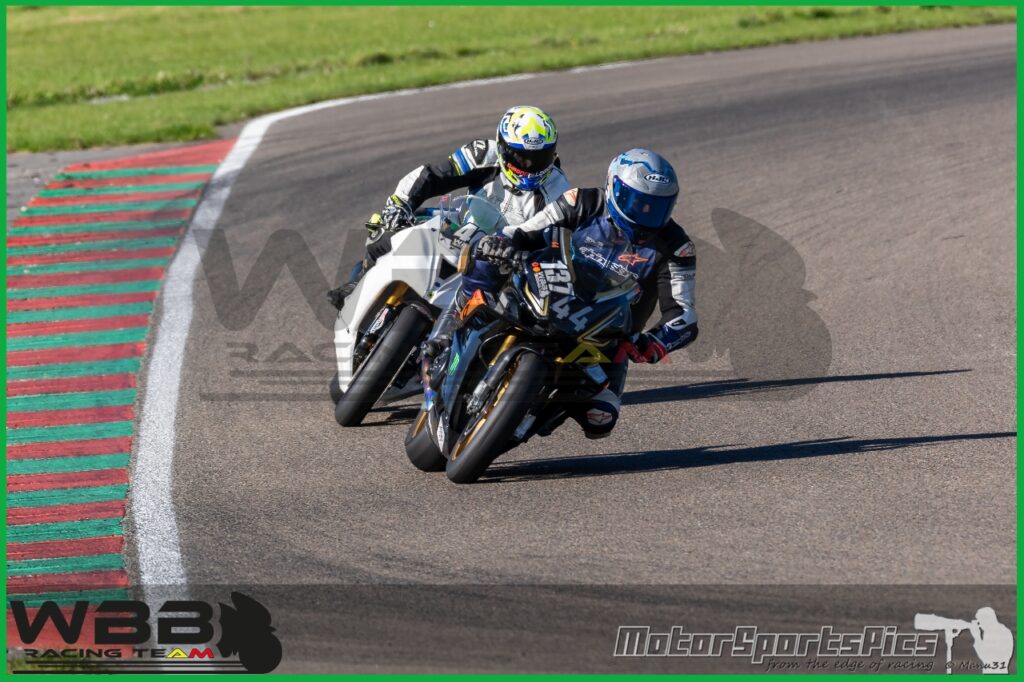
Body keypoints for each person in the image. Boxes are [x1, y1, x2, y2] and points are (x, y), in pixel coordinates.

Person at [423, 148, 698, 439]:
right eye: (637, 202)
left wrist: (654, 343)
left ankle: (533, 414)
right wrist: (503, 242)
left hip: (602, 337)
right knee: (485, 259)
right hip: (544, 289)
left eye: (657, 207)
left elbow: (684, 315)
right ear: (613, 187)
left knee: (600, 418)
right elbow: (527, 230)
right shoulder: (582, 201)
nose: (646, 214)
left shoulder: (678, 248)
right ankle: (449, 330)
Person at [327, 105, 570, 309]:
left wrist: (521, 255)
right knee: (385, 227)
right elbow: (433, 175)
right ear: (503, 147)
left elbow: (554, 245)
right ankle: (358, 283)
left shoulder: (558, 189)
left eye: (540, 157)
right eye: (521, 157)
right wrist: (400, 204)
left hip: (500, 261)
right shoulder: (484, 154)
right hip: (460, 226)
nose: (529, 166)